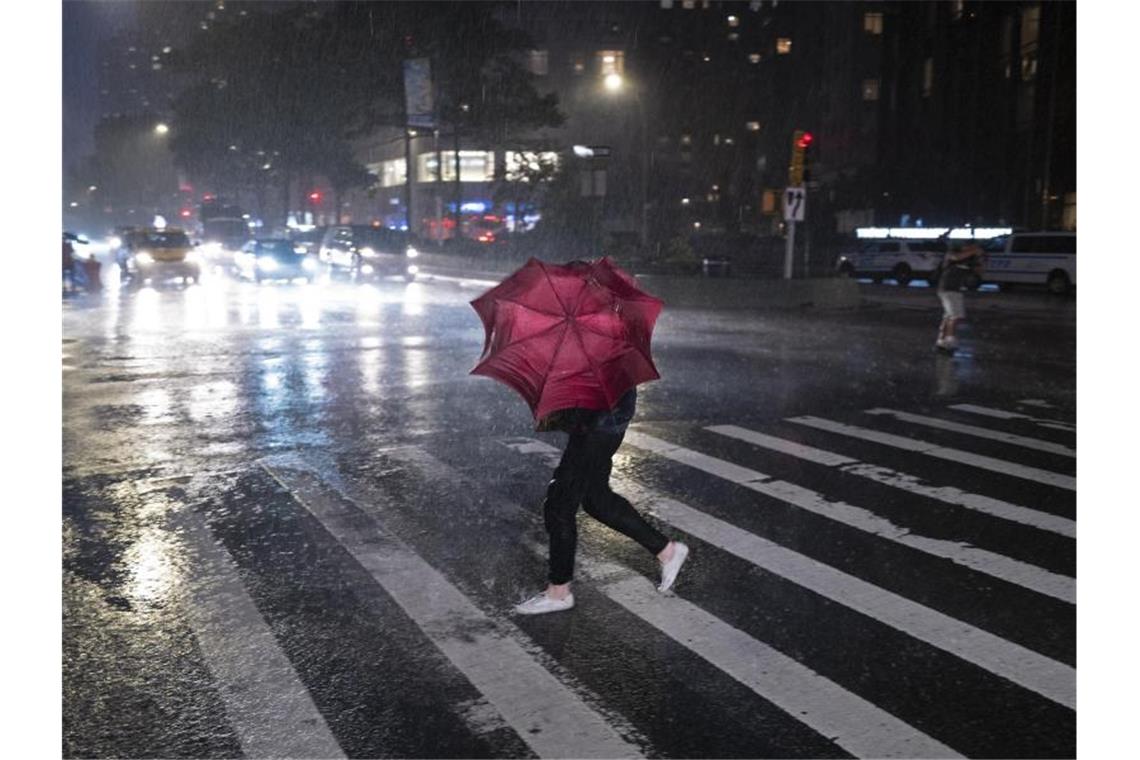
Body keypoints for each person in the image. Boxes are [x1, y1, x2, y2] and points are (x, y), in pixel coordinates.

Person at [515, 387, 690, 615]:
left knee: (560, 505)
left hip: (600, 422)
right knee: (596, 499)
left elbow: (594, 382)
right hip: (602, 420)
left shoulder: (597, 356)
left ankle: (559, 592)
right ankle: (667, 551)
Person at [934, 241, 984, 354]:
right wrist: (974, 250)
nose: (970, 249)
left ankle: (941, 341)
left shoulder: (969, 260)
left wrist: (979, 258)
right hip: (947, 289)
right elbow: (956, 257)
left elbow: (979, 273)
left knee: (948, 317)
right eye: (969, 247)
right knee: (955, 316)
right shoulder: (952, 254)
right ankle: (949, 342)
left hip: (956, 290)